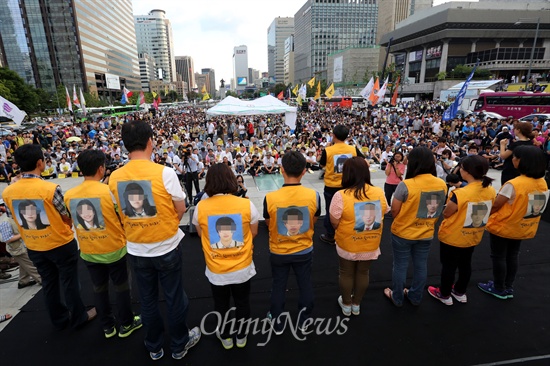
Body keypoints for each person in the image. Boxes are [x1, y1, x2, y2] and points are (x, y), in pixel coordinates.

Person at [109, 120, 200, 361]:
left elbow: (120, 209)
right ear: (150, 142)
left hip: (137, 249)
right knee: (174, 296)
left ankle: (154, 346)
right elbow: (180, 208)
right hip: (166, 246)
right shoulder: (165, 172)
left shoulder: (115, 177)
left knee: (147, 300)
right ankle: (180, 344)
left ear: (126, 145)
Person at [2, 144, 96, 330]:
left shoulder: (7, 192)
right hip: (59, 243)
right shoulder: (50, 189)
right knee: (69, 282)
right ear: (40, 163)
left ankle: (59, 319)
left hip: (33, 245)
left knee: (49, 283)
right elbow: (66, 213)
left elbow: (14, 217)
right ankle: (79, 316)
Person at [65, 150, 142, 339]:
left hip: (88, 250)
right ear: (101, 168)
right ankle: (126, 323)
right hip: (114, 249)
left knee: (99, 288)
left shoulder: (69, 195)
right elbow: (122, 215)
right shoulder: (109, 191)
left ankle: (108, 326)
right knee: (122, 286)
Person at [192, 163, 259, 349]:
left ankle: (225, 336)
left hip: (216, 269)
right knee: (242, 302)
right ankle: (242, 335)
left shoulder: (201, 207)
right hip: (242, 266)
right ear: (231, 179)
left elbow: (200, 233)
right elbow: (253, 232)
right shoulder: (246, 204)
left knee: (221, 304)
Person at [478, 146, 548, 299]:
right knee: (513, 255)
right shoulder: (542, 182)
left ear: (522, 161)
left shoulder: (514, 184)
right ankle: (508, 286)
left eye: (514, 157)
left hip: (504, 225)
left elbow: (496, 205)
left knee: (498, 256)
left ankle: (498, 287)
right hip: (522, 226)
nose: (512, 159)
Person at [263, 150, 320, 333]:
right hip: (303, 249)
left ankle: (277, 320)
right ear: (304, 171)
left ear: (281, 170)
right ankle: (304, 320)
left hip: (279, 251)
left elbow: (268, 223)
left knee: (278, 285)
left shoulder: (270, 198)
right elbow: (314, 219)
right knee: (305, 284)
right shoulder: (314, 195)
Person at [427, 155, 496, 305]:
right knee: (465, 264)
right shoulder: (490, 190)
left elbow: (447, 213)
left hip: (454, 236)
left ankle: (444, 293)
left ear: (467, 172)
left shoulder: (460, 193)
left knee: (449, 266)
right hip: (473, 234)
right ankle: (460, 291)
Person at [384, 147, 447, 307]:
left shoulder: (406, 185)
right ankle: (415, 296)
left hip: (403, 233)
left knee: (400, 265)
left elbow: (395, 210)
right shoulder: (441, 184)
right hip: (426, 232)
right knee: (420, 265)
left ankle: (397, 297)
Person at [330, 157, 388, 316]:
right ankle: (357, 304)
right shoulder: (378, 192)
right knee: (364, 272)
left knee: (346, 272)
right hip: (370, 241)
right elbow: (385, 210)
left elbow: (334, 221)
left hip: (348, 242)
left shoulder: (340, 195)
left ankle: (346, 304)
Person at [319, 124, 363, 245]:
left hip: (331, 186)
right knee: (349, 208)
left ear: (333, 135)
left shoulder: (328, 150)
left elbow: (321, 165)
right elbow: (362, 161)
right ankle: (349, 231)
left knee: (331, 210)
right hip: (349, 184)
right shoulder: (353, 149)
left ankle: (330, 235)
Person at [0, 201, 42, 289]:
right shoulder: (6, 222)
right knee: (31, 265)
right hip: (18, 249)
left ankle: (23, 281)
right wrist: (22, 234)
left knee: (24, 265)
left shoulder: (17, 218)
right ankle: (41, 279)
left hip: (23, 246)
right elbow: (7, 239)